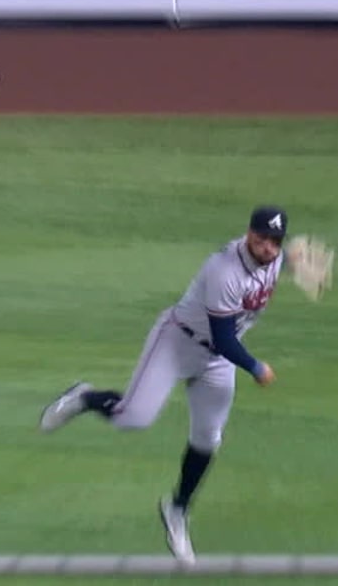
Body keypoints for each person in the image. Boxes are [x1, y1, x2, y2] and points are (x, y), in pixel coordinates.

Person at [37, 205, 294, 564]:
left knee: (208, 438)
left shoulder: (277, 258)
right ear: (248, 232)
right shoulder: (224, 270)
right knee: (133, 418)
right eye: (261, 237)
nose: (268, 247)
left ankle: (177, 510)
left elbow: (290, 257)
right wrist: (255, 367)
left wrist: (301, 259)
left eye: (275, 241)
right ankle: (85, 397)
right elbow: (223, 338)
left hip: (218, 361)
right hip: (178, 343)